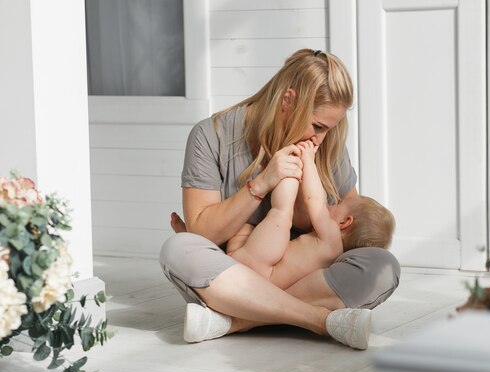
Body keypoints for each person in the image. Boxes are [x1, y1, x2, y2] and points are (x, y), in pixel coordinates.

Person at [159, 49, 400, 350]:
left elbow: (349, 229)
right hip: (232, 272)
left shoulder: (325, 145)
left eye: (330, 128)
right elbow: (203, 232)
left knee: (382, 265)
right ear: (288, 102)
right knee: (178, 249)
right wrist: (261, 184)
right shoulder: (211, 137)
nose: (321, 139)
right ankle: (318, 319)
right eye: (318, 126)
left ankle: (236, 320)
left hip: (275, 282)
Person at [227, 139, 395, 289]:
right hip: (272, 285)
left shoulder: (331, 235)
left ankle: (288, 175)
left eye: (339, 204)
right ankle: (236, 255)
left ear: (345, 222)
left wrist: (308, 160)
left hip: (263, 271)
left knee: (282, 212)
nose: (332, 204)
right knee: (246, 228)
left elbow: (314, 199)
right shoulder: (334, 257)